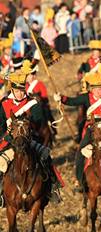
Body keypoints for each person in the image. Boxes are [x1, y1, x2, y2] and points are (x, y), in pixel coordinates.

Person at [54, 72, 101, 192]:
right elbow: (73, 101)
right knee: (80, 154)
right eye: (96, 89)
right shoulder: (86, 97)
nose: (99, 91)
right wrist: (61, 98)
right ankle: (79, 181)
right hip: (91, 129)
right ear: (92, 89)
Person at [0, 70, 61, 207]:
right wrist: (8, 138)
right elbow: (0, 126)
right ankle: (0, 194)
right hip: (9, 141)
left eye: (22, 90)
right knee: (1, 163)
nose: (20, 93)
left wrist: (29, 130)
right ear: (12, 90)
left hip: (29, 140)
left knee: (45, 156)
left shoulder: (33, 104)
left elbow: (39, 123)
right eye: (17, 91)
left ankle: (52, 189)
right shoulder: (4, 104)